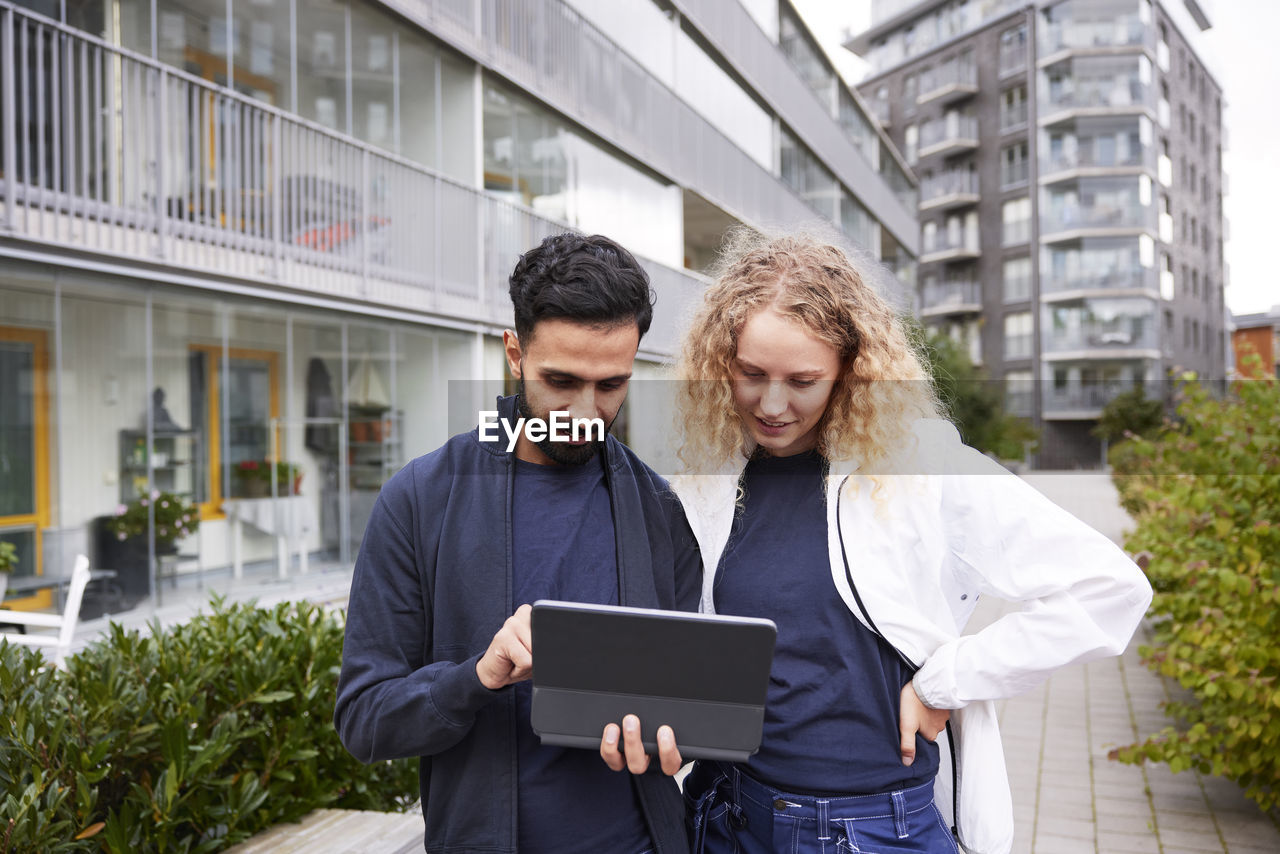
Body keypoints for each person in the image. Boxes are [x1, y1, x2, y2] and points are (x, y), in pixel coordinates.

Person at [602, 229, 1152, 854]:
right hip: (726, 813)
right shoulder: (711, 474)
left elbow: (1110, 590)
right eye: (751, 373)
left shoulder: (920, 466)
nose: (772, 403)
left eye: (802, 381)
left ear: (850, 372)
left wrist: (943, 682)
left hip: (868, 831)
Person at [335, 232, 700, 854]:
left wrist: (677, 733)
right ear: (514, 352)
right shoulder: (420, 498)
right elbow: (366, 721)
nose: (585, 410)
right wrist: (477, 676)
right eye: (561, 380)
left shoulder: (659, 507)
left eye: (611, 385)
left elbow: (689, 699)